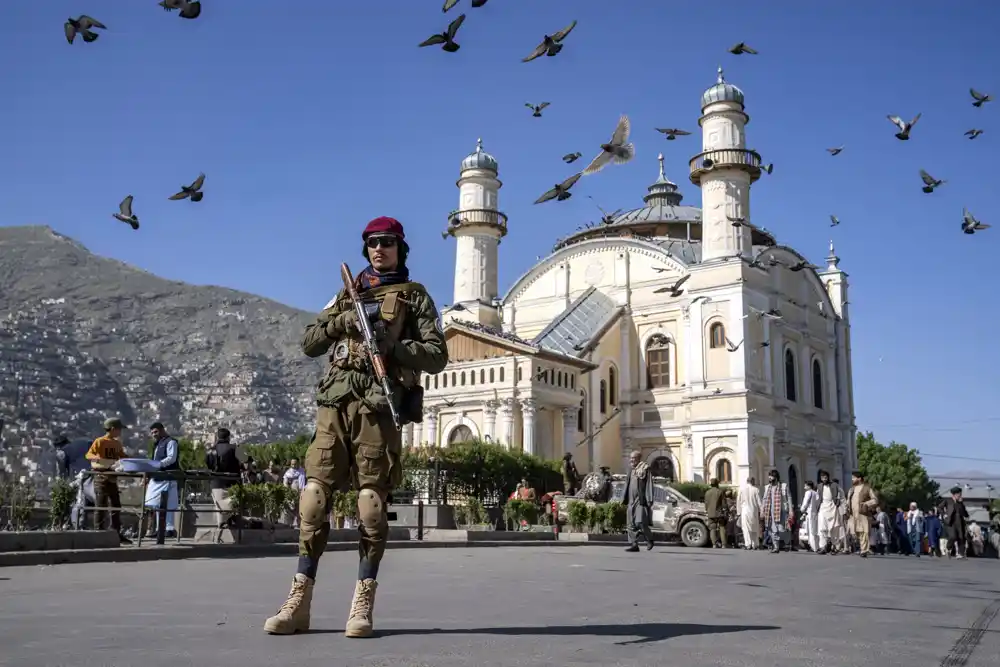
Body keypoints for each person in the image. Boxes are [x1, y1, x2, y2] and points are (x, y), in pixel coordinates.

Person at [264, 216, 448, 638]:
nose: (378, 250)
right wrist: (340, 323)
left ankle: (362, 601)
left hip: (378, 406)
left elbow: (437, 356)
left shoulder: (414, 297)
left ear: (401, 248)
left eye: (386, 243)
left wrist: (394, 346)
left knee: (370, 505)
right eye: (371, 243)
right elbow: (310, 342)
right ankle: (299, 600)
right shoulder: (347, 294)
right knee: (312, 498)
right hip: (334, 402)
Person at [85, 418, 131, 544]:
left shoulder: (117, 443)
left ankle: (116, 532)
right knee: (101, 505)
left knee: (116, 505)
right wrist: (99, 459)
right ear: (112, 429)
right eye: (119, 429)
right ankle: (98, 532)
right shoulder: (100, 441)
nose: (120, 432)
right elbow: (89, 455)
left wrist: (129, 460)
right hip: (101, 477)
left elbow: (122, 456)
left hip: (112, 478)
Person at [144, 422, 180, 538]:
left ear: (162, 430)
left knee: (168, 505)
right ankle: (160, 529)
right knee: (157, 505)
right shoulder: (157, 444)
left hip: (168, 478)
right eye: (152, 433)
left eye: (155, 432)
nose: (154, 435)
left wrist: (158, 465)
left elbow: (171, 458)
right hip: (157, 478)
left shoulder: (171, 442)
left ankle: (168, 529)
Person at [205, 427, 240, 541]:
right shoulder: (235, 448)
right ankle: (232, 529)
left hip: (216, 483)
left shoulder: (210, 450)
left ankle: (220, 535)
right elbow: (247, 462)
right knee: (233, 506)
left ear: (218, 437)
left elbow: (209, 465)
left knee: (219, 508)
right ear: (229, 437)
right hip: (233, 483)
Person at [623, 450, 654, 552]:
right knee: (630, 524)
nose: (631, 460)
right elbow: (626, 485)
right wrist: (623, 499)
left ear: (638, 459)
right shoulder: (630, 470)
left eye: (634, 458)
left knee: (640, 522)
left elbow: (649, 484)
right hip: (631, 500)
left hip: (640, 500)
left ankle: (649, 540)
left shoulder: (645, 469)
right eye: (631, 458)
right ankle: (634, 544)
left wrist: (649, 499)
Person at [845, 470, 878, 558]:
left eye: (853, 478)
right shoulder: (852, 489)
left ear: (859, 478)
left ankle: (864, 550)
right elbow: (848, 500)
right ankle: (863, 547)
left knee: (864, 531)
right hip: (853, 514)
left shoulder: (867, 488)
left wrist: (867, 503)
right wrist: (847, 507)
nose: (852, 480)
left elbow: (875, 500)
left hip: (863, 513)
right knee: (855, 532)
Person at [760, 469, 791, 553]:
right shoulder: (767, 487)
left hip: (781, 510)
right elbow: (764, 499)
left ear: (776, 477)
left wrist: (791, 510)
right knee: (772, 529)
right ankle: (776, 547)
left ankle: (786, 543)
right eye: (769, 476)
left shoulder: (783, 486)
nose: (769, 478)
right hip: (770, 511)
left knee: (782, 528)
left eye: (771, 476)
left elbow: (789, 498)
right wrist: (762, 510)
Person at [815, 470, 844, 554]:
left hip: (832, 507)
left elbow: (840, 495)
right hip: (822, 508)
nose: (824, 479)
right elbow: (818, 498)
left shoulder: (834, 485)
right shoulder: (819, 486)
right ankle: (823, 547)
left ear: (828, 477)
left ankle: (834, 547)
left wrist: (838, 504)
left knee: (834, 528)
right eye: (822, 477)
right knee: (822, 528)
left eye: (825, 477)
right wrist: (817, 507)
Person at [939, 486, 969, 559]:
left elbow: (965, 513)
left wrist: (961, 503)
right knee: (953, 536)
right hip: (950, 521)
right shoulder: (948, 501)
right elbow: (939, 507)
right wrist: (944, 515)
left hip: (959, 521)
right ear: (954, 494)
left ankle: (961, 554)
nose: (960, 495)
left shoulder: (960, 502)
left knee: (961, 537)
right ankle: (948, 548)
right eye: (959, 494)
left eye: (960, 494)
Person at [737, 476, 761, 549]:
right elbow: (759, 502)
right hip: (754, 510)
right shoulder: (756, 490)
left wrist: (739, 512)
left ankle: (748, 544)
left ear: (747, 481)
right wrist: (761, 510)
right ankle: (755, 544)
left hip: (744, 510)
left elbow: (738, 501)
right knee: (754, 527)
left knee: (746, 528)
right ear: (753, 482)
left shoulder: (741, 489)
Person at [704, 478, 726, 549]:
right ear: (717, 484)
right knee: (722, 528)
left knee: (712, 529)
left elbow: (706, 504)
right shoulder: (720, 492)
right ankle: (723, 544)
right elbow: (724, 504)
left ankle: (714, 544)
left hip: (710, 513)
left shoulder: (707, 492)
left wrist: (707, 510)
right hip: (719, 513)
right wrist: (726, 510)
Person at [800, 480, 820, 553]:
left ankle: (813, 547)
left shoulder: (808, 493)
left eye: (805, 485)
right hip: (815, 512)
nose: (804, 487)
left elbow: (805, 502)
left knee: (810, 530)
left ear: (809, 486)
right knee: (814, 529)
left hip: (809, 512)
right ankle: (816, 546)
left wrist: (802, 509)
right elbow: (818, 502)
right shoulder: (815, 493)